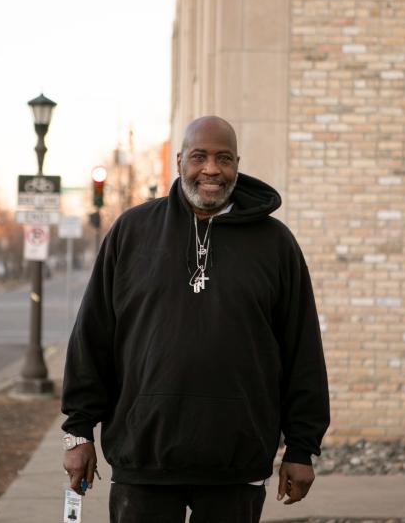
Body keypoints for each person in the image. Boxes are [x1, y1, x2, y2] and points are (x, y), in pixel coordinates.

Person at [61, 116, 330, 522]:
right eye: (199, 157)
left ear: (237, 164)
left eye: (224, 158)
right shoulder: (132, 232)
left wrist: (301, 447)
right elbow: (93, 338)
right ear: (179, 161)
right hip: (143, 459)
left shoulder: (275, 244)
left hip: (235, 464)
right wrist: (78, 432)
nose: (211, 169)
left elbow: (302, 351)